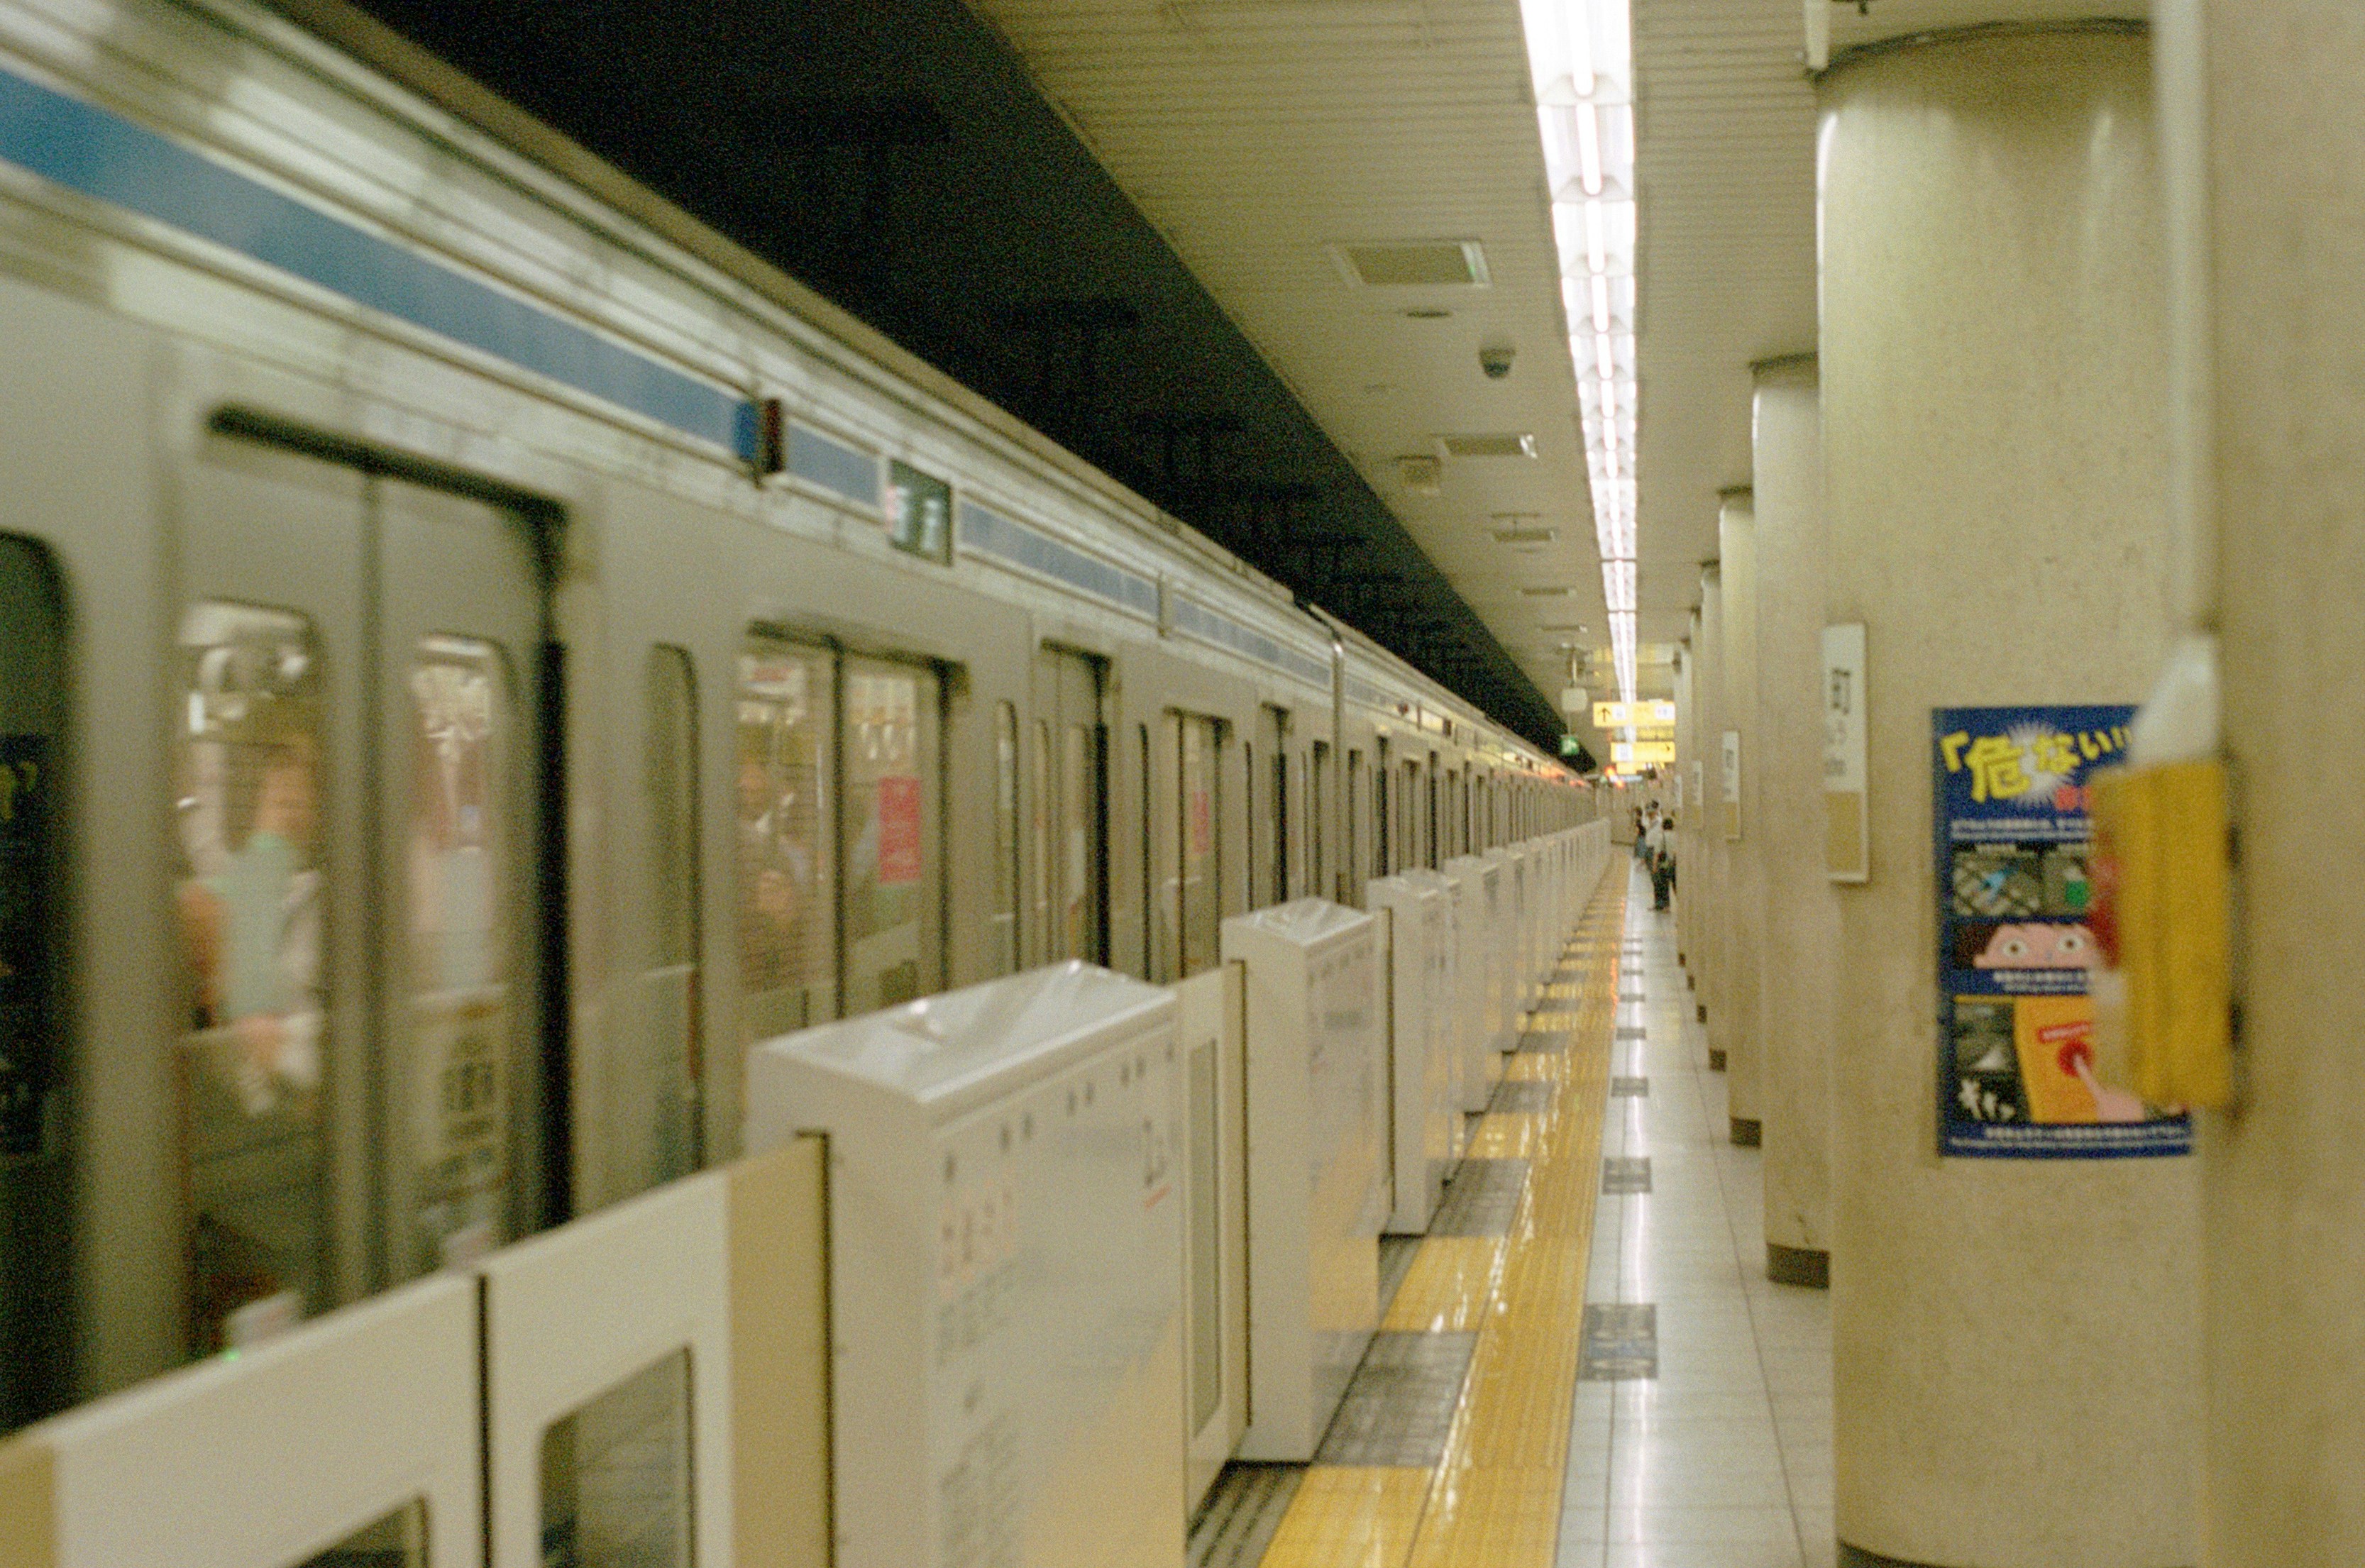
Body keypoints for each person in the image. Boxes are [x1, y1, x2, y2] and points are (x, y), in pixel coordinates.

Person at [1648, 810, 1675, 911]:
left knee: (1662, 885)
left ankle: (1662, 905)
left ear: (1663, 826)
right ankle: (1676, 908)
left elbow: (1657, 853)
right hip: (1674, 863)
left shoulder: (1661, 837)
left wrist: (1654, 866)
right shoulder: (1676, 836)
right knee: (1674, 886)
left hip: (1664, 864)